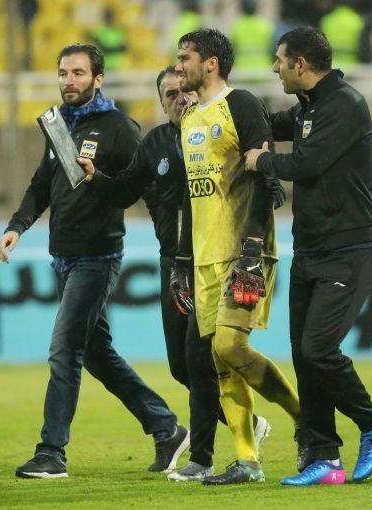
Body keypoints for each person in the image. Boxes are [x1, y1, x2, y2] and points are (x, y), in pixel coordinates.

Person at [78, 66, 278, 482]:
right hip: (173, 263)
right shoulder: (155, 144)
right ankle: (249, 426)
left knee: (199, 356)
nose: (180, 98)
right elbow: (125, 190)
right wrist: (97, 179)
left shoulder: (215, 134)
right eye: (170, 94)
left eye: (184, 90)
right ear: (161, 103)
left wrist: (260, 215)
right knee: (181, 366)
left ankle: (202, 457)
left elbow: (262, 182)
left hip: (215, 260)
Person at [0, 44, 189, 479]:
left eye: (78, 73)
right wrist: (17, 225)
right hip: (64, 257)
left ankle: (51, 452)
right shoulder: (57, 124)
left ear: (98, 79)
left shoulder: (120, 128)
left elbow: (147, 185)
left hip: (98, 256)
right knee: (97, 355)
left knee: (65, 350)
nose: (69, 81)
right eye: (63, 73)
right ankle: (166, 428)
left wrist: (172, 241)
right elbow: (42, 184)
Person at [244, 26, 372, 486]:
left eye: (279, 60)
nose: (275, 68)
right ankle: (325, 456)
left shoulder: (345, 105)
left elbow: (305, 164)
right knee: (304, 357)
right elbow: (268, 123)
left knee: (319, 350)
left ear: (301, 65)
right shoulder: (309, 107)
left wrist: (260, 161)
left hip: (348, 250)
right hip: (310, 249)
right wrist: (222, 109)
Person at [172, 28, 302, 485]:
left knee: (230, 346)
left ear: (210, 63)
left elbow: (265, 178)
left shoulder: (242, 104)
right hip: (205, 258)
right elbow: (190, 196)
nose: (178, 66)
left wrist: (252, 248)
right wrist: (182, 262)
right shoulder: (189, 119)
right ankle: (248, 462)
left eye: (185, 58)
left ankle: (306, 419)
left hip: (244, 251)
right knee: (221, 360)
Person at [229, 0, 275, 69]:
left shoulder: (236, 26)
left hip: (241, 67)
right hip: (263, 67)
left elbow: (231, 48)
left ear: (242, 8)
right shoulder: (265, 25)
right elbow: (273, 48)